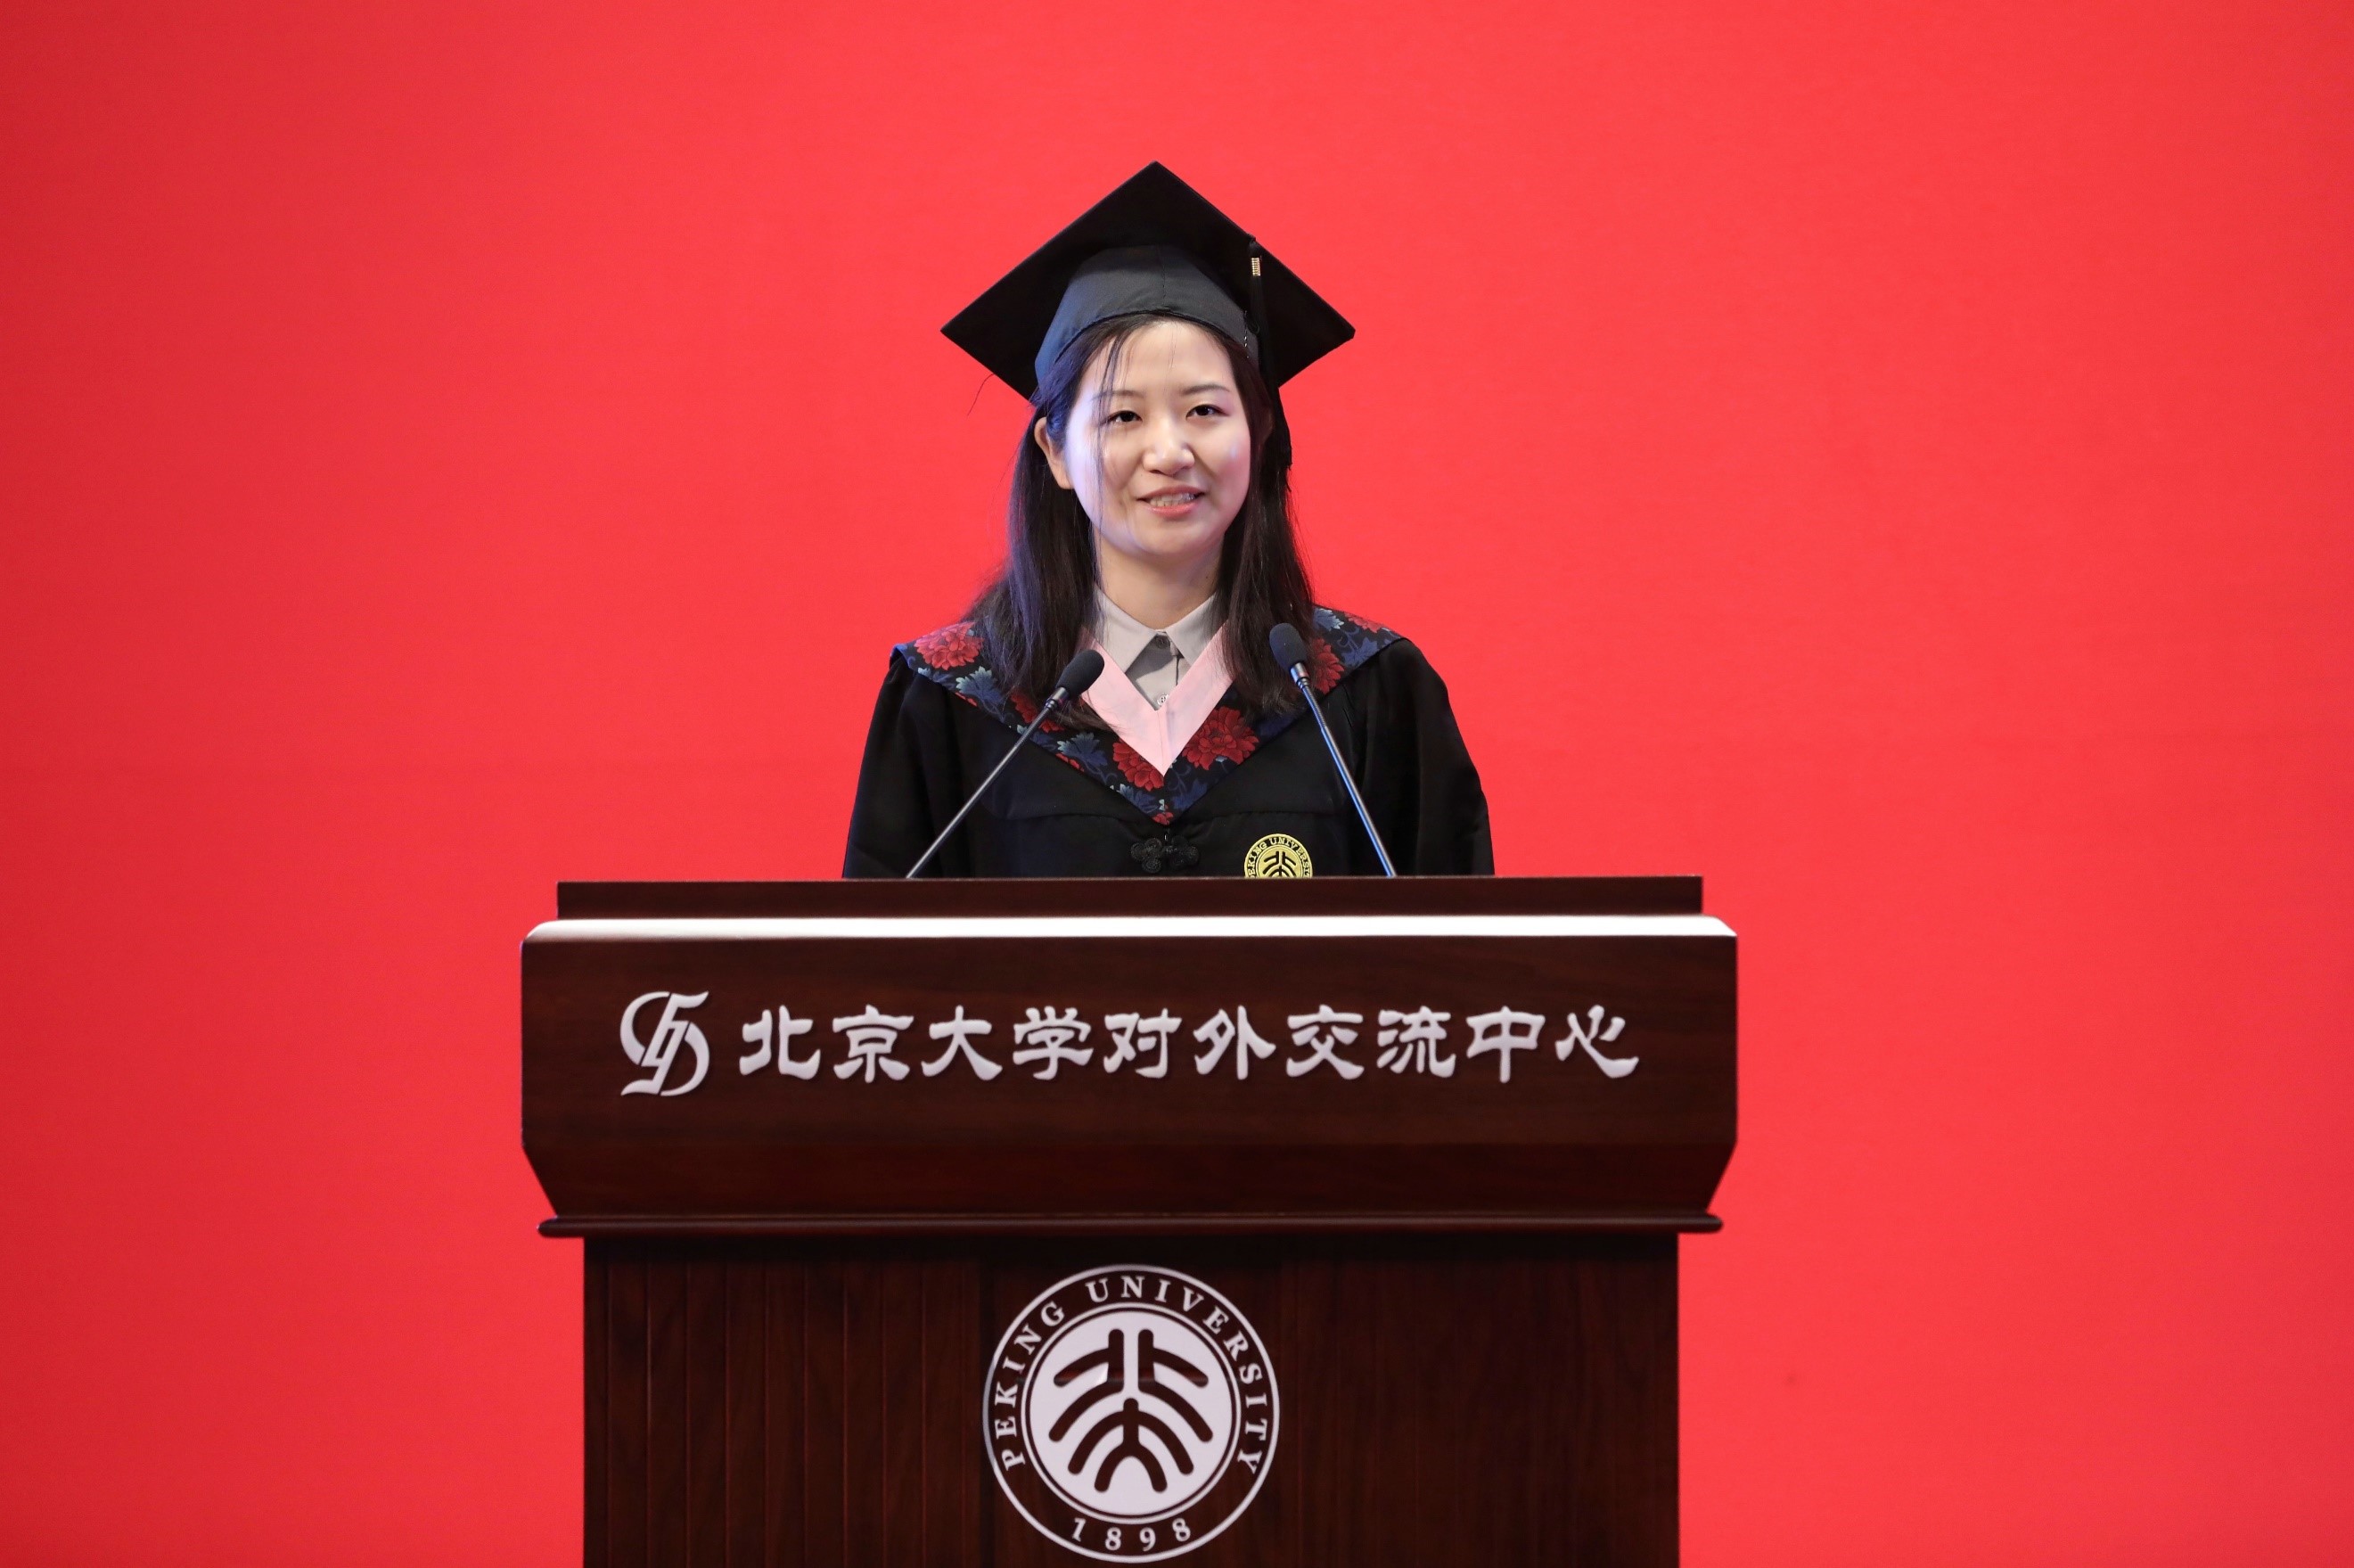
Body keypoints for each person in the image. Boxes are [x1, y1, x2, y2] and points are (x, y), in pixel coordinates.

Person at [844, 164, 1491, 879]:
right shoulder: (953, 700)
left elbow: (1458, 942)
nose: (1169, 452)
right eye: (1122, 416)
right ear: (1054, 451)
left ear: (1261, 431)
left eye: (1204, 410)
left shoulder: (1366, 693)